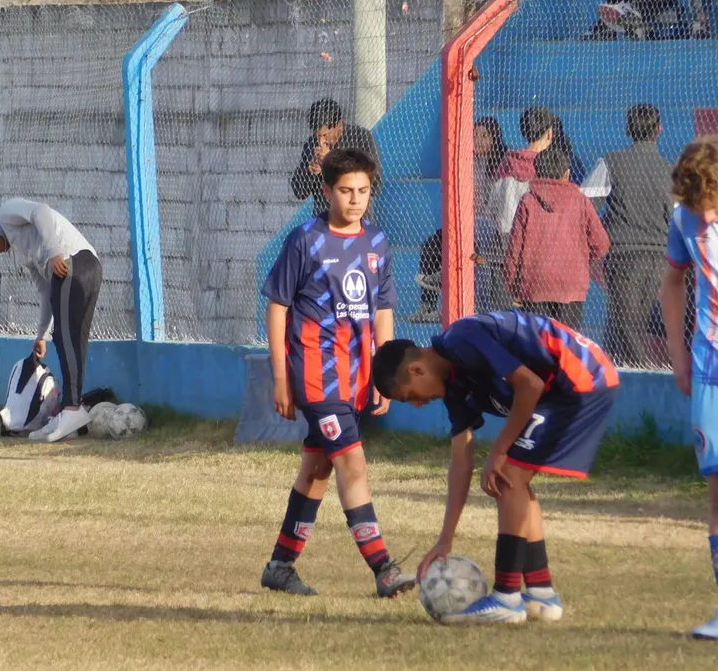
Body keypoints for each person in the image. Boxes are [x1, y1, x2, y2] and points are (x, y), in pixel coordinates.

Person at [373, 311, 620, 624]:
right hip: (570, 385)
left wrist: (499, 451)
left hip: (582, 376)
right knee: (514, 481)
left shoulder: (462, 339)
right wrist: (444, 539)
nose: (418, 404)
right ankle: (542, 596)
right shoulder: (454, 387)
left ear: (416, 369)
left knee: (508, 477)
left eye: (410, 397)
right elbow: (461, 463)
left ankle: (506, 597)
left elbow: (529, 385)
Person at [261, 147, 415, 599]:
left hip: (358, 377)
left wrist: (387, 374)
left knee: (317, 469)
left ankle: (280, 566)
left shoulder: (378, 244)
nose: (355, 200)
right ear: (327, 190)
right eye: (345, 191)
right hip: (315, 378)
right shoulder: (305, 241)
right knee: (353, 462)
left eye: (363, 191)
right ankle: (384, 569)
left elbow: (383, 311)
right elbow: (277, 307)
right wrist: (281, 377)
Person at [0, 199, 102, 442]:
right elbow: (45, 291)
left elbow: (41, 211)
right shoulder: (23, 249)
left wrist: (54, 252)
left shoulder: (6, 213)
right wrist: (41, 335)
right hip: (87, 265)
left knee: (66, 338)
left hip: (71, 261)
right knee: (71, 339)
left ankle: (71, 410)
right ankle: (72, 415)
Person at [659, 136, 718, 640]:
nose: (707, 213)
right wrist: (679, 356)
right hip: (709, 367)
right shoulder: (683, 222)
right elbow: (673, 283)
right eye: (698, 203)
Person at [582, 104, 674, 367]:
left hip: (623, 257)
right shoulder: (670, 171)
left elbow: (585, 204)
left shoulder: (611, 162)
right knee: (628, 323)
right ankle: (617, 373)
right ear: (659, 130)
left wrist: (597, 237)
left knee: (626, 324)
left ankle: (641, 375)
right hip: (660, 260)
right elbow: (677, 217)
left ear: (627, 130)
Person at [410, 118, 508, 324]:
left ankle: (450, 304)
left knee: (463, 250)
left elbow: (497, 207)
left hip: (488, 229)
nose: (478, 140)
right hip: (461, 224)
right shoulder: (464, 163)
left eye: (484, 136)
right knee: (430, 246)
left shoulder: (501, 166)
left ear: (495, 139)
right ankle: (427, 303)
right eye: (474, 135)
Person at [504, 148, 610, 330]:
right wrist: (583, 258)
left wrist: (511, 282)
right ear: (567, 174)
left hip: (534, 285)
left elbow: (515, 247)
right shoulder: (580, 201)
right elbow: (601, 244)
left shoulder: (528, 200)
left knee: (538, 345)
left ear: (537, 172)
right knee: (567, 344)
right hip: (571, 285)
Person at [483, 108, 556, 310]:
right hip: (542, 253)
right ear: (550, 133)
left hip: (508, 249)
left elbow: (490, 212)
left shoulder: (506, 165)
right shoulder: (551, 168)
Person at [291, 99, 381, 216]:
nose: (321, 141)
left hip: (357, 219)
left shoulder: (360, 138)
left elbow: (376, 185)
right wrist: (311, 171)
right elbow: (299, 192)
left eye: (325, 135)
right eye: (317, 136)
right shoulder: (312, 145)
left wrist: (331, 159)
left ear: (338, 125)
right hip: (324, 220)